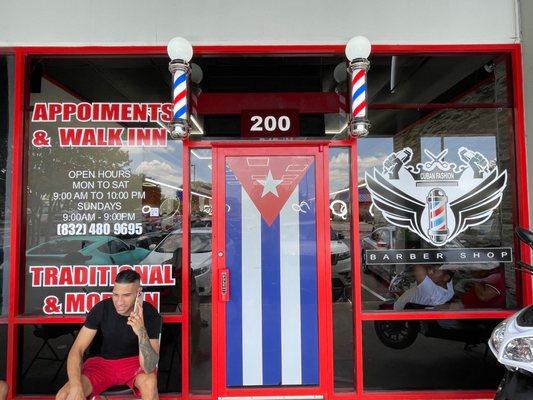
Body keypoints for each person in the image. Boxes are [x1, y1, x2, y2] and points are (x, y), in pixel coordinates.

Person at [56, 269, 162, 400]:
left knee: (150, 384)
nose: (119, 301)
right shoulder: (102, 309)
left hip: (134, 364)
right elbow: (77, 350)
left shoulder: (150, 313)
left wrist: (141, 332)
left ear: (138, 293)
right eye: (115, 294)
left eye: (126, 295)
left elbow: (149, 367)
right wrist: (76, 386)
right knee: (64, 395)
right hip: (102, 365)